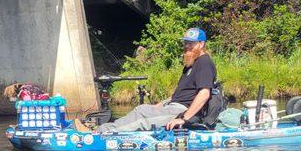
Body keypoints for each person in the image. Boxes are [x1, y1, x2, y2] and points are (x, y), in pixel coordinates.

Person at [75, 27, 217, 133]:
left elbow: (204, 94)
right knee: (142, 108)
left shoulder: (204, 62)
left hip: (182, 111)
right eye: (186, 42)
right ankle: (103, 129)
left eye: (191, 43)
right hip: (173, 107)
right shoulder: (191, 64)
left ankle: (97, 133)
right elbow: (177, 96)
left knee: (142, 115)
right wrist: (158, 106)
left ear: (201, 44)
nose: (187, 46)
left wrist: (184, 119)